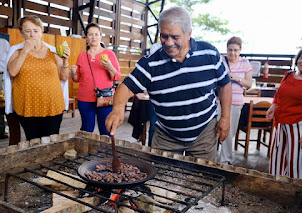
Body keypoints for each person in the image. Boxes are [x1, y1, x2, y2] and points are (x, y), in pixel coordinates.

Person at [106, 6, 232, 161]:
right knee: (161, 178)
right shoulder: (151, 63)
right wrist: (118, 109)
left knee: (203, 179)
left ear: (189, 34)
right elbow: (126, 87)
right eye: (164, 36)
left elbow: (225, 85)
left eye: (175, 37)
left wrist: (225, 118)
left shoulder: (209, 54)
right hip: (167, 136)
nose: (168, 43)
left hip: (204, 134)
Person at [6, 15, 70, 141]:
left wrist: (66, 60)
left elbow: (64, 77)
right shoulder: (17, 51)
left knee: (52, 140)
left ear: (41, 31)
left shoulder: (53, 51)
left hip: (52, 105)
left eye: (36, 31)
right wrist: (25, 50)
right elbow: (12, 72)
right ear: (22, 33)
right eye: (27, 31)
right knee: (33, 141)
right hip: (28, 105)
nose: (32, 35)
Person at [266, 44, 302, 180]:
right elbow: (279, 93)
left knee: (297, 164)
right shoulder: (288, 75)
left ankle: (296, 194)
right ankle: (274, 187)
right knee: (276, 160)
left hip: (300, 128)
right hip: (281, 124)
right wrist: (273, 106)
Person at [70, 23, 121, 135]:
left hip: (105, 97)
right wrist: (73, 73)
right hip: (85, 98)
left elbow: (117, 77)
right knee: (87, 129)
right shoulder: (82, 56)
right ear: (86, 36)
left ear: (100, 36)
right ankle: (86, 152)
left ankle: (105, 152)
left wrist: (109, 66)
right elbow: (76, 79)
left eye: (96, 34)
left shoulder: (109, 54)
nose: (94, 37)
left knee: (105, 129)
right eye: (90, 34)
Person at [218, 37, 252, 165]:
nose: (232, 53)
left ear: (240, 50)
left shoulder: (245, 63)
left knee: (229, 132)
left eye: (236, 50)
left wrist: (236, 78)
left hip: (236, 103)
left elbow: (249, 84)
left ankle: (225, 161)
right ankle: (208, 159)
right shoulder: (221, 60)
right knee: (211, 130)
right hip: (218, 101)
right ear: (226, 49)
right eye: (230, 50)